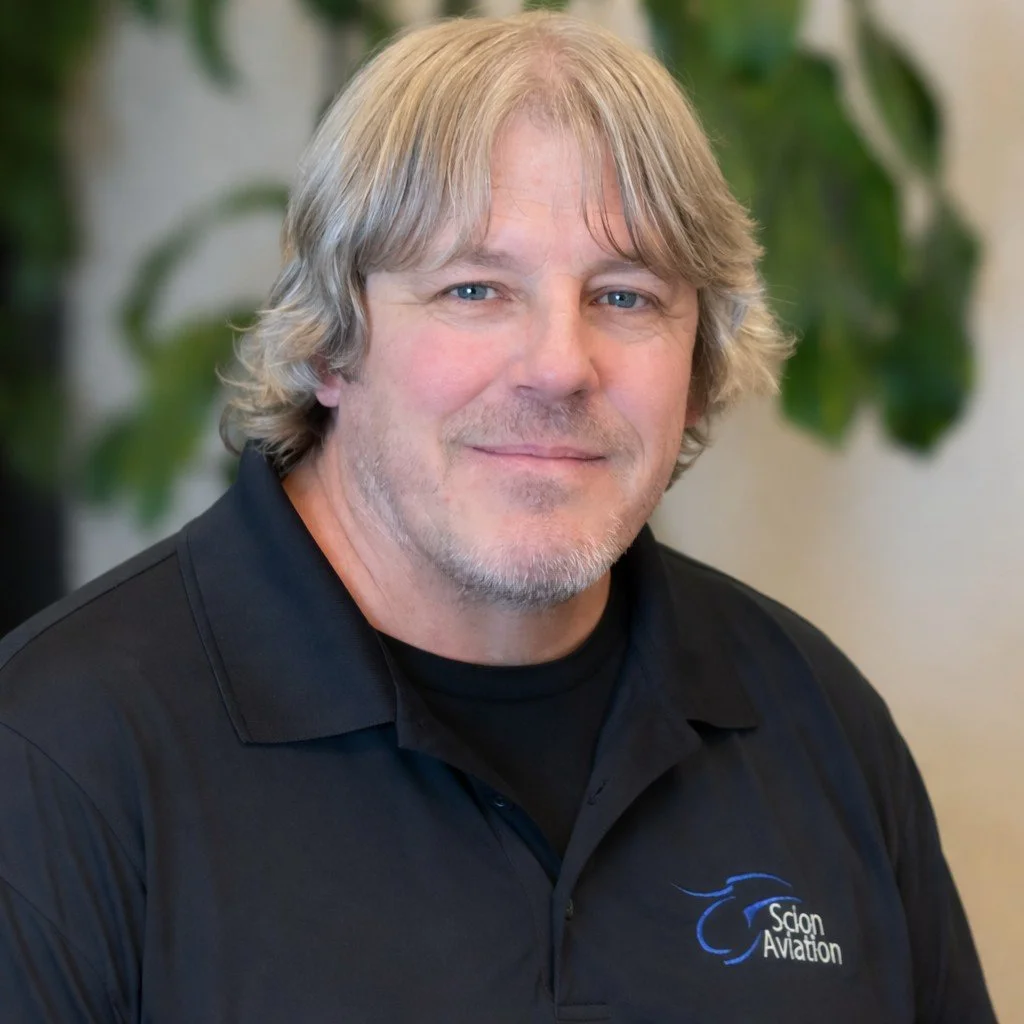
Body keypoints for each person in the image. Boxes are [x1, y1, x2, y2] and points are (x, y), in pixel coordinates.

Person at [0, 11, 996, 1023]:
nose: (561, 366)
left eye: (625, 296)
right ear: (331, 343)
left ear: (697, 366)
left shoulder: (814, 719)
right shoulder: (58, 756)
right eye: (474, 287)